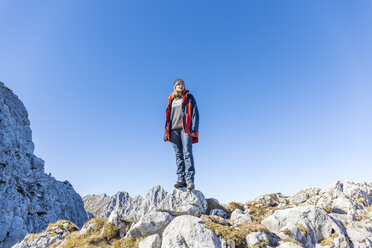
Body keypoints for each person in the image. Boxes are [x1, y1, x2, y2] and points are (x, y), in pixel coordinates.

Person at [164, 79, 199, 190]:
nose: (181, 85)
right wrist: (166, 133)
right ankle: (181, 179)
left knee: (187, 153)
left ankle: (189, 180)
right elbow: (168, 118)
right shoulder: (171, 100)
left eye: (182, 84)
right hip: (174, 130)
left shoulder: (189, 98)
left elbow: (195, 114)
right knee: (178, 155)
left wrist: (193, 129)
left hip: (185, 130)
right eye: (178, 84)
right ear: (175, 87)